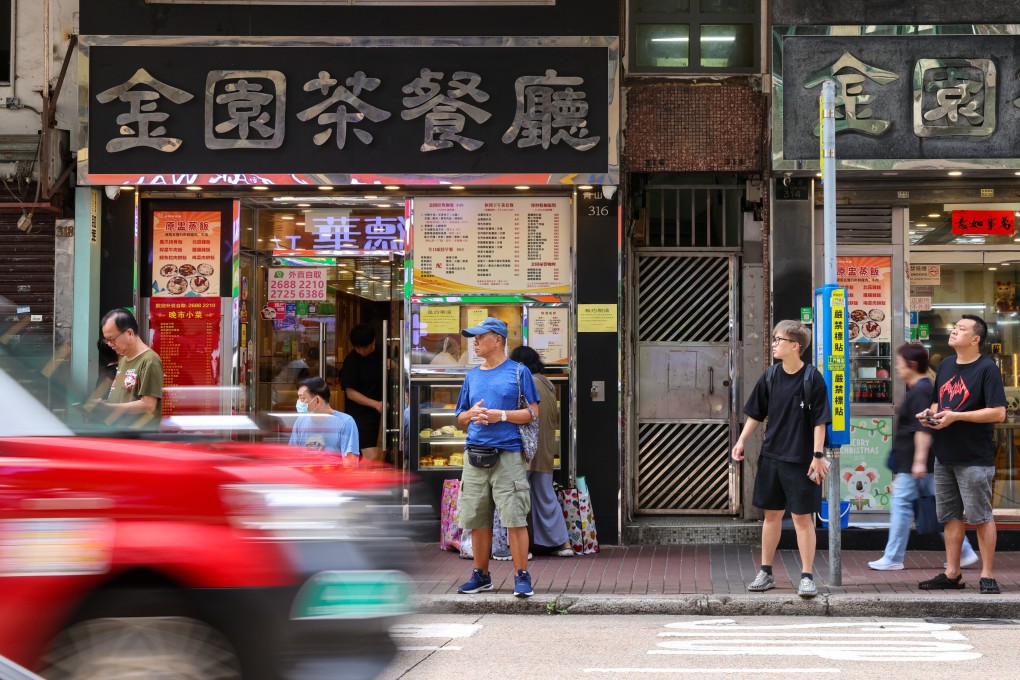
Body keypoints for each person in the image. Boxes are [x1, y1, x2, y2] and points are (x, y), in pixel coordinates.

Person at [731, 320, 831, 599]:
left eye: (779, 339)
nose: (774, 344)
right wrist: (741, 441)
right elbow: (756, 413)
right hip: (772, 455)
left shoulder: (813, 378)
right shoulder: (770, 375)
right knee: (771, 515)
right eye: (774, 339)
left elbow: (820, 421)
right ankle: (766, 572)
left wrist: (817, 455)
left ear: (795, 346)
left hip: (802, 460)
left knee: (802, 518)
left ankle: (807, 576)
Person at [916, 314, 1006, 594]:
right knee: (950, 517)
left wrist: (957, 417)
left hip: (974, 456)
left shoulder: (987, 369)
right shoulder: (945, 365)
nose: (954, 331)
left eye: (961, 329)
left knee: (980, 517)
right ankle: (952, 573)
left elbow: (998, 412)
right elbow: (938, 400)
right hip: (944, 454)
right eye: (955, 327)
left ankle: (987, 574)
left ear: (975, 339)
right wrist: (930, 414)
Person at [867, 344, 978, 571]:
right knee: (935, 507)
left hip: (916, 464)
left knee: (904, 506)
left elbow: (923, 428)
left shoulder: (921, 390)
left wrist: (918, 461)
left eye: (899, 362)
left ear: (912, 365)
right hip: (918, 463)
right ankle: (964, 551)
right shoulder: (922, 388)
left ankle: (893, 557)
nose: (896, 367)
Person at [454, 317, 540, 598]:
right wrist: (472, 415)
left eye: (480, 337)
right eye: (474, 337)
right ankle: (481, 575)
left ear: (498, 340)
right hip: (475, 454)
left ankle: (521, 575)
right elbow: (460, 417)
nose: (475, 342)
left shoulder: (519, 372)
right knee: (477, 518)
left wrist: (500, 415)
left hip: (509, 454)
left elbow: (533, 413)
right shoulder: (471, 376)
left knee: (515, 516)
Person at [508, 345, 573, 559]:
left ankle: (521, 549)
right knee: (546, 498)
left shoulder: (529, 383)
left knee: (517, 499)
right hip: (544, 451)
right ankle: (563, 543)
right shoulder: (548, 384)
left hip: (526, 450)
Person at [90, 308, 164, 428]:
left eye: (112, 339)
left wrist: (109, 408)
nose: (109, 344)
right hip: (121, 433)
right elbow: (123, 397)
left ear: (129, 333)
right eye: (106, 340)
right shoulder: (124, 359)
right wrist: (101, 406)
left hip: (139, 438)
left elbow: (148, 405)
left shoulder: (150, 360)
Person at [289, 377, 359, 465]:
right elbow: (293, 457)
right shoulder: (300, 421)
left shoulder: (346, 422)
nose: (298, 402)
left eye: (302, 399)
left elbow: (350, 463)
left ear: (317, 400)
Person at [341, 324, 384, 461]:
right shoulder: (351, 361)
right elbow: (350, 392)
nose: (361, 351)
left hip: (383, 413)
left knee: (381, 455)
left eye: (364, 347)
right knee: (370, 456)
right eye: (357, 348)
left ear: (373, 342)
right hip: (361, 415)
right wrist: (376, 404)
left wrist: (393, 365)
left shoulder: (384, 352)